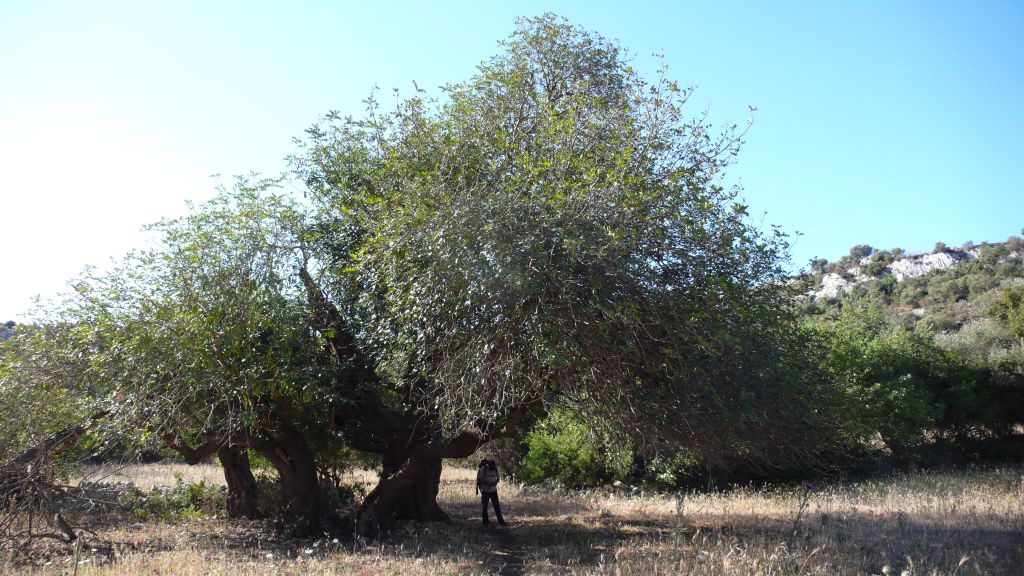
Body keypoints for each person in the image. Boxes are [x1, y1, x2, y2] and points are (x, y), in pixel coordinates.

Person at [476, 458, 506, 526]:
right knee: (485, 507)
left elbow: (498, 478)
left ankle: (501, 522)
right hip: (485, 491)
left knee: (497, 506)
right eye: (491, 467)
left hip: (493, 491)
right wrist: (487, 483)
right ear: (488, 465)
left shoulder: (496, 469)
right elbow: (479, 480)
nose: (492, 468)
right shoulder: (483, 469)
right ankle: (485, 522)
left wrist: (495, 483)